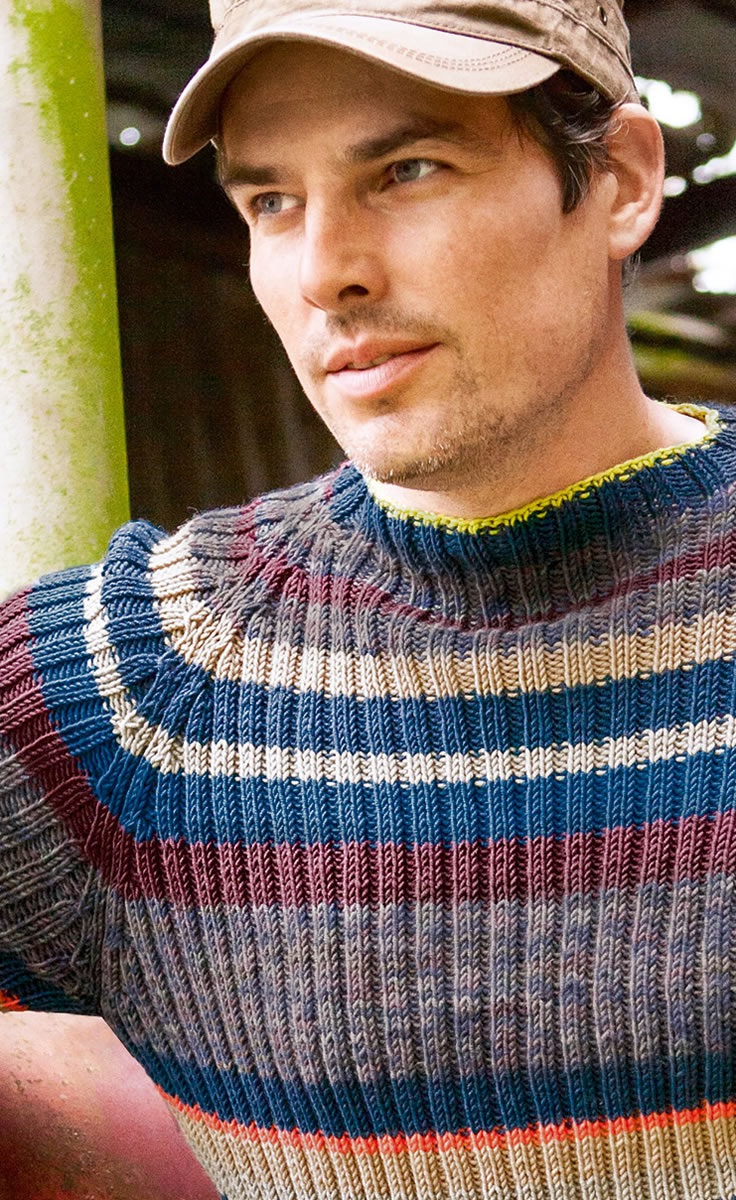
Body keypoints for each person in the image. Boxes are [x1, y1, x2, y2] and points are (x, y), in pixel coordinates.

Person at [2, 1, 735, 1199]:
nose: (323, 271)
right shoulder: (138, 683)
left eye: (406, 170)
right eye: (271, 201)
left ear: (618, 180)